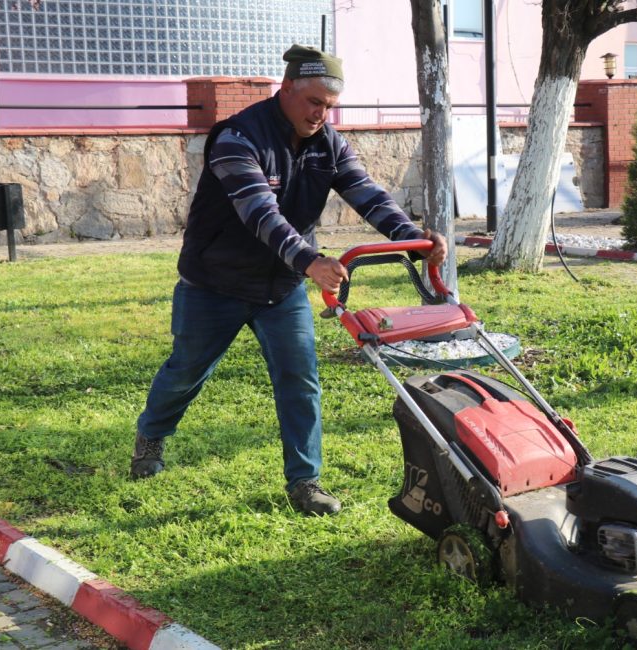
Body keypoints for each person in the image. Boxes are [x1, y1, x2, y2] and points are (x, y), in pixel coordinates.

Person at [131, 45, 446, 516]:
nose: (321, 114)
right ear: (287, 90)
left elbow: (367, 194)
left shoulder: (329, 143)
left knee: (299, 379)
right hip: (214, 282)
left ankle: (305, 481)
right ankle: (151, 437)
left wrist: (412, 238)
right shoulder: (237, 137)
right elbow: (260, 212)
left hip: (281, 286)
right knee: (187, 371)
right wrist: (309, 259)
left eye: (329, 106)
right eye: (313, 102)